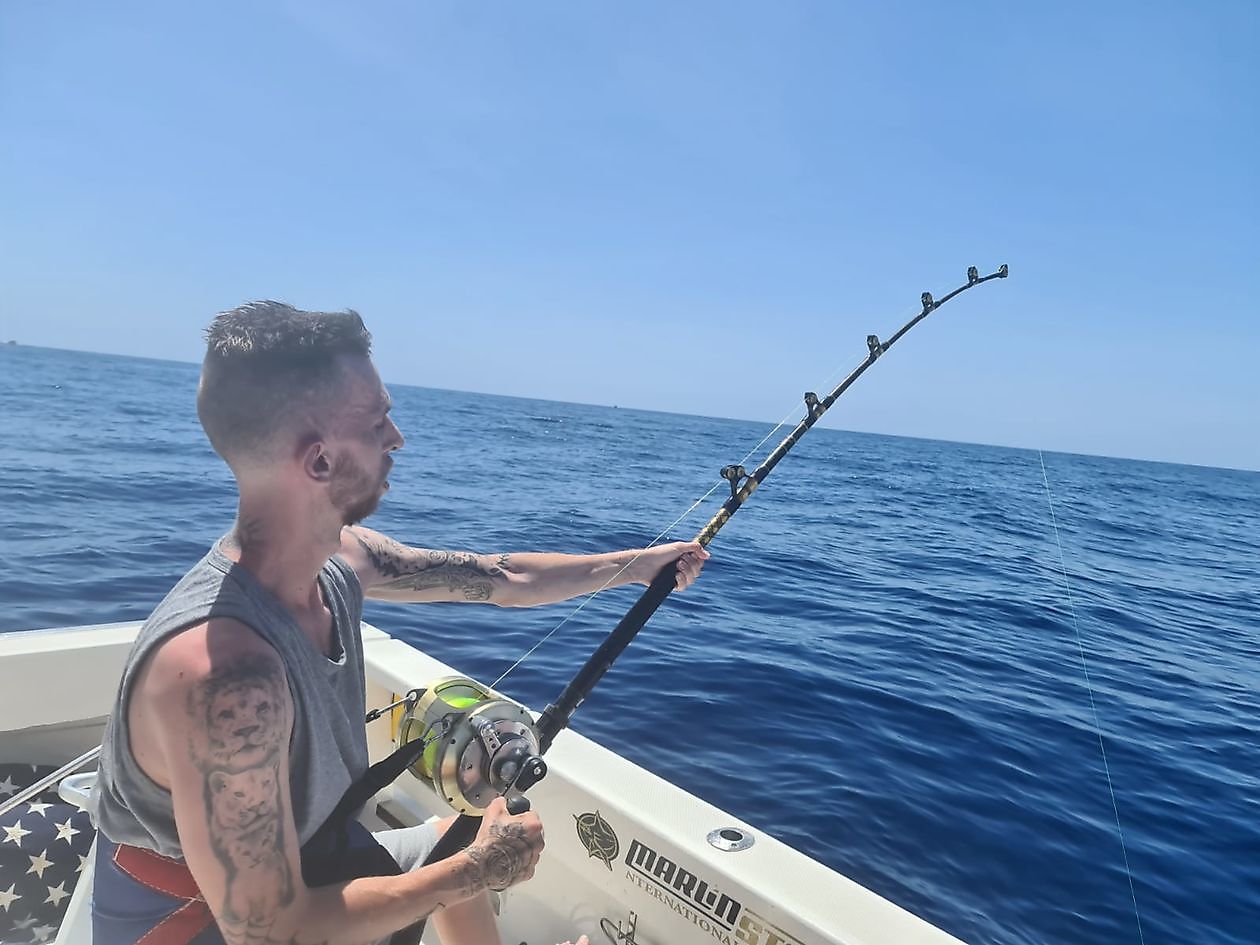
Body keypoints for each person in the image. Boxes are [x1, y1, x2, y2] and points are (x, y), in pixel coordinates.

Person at [90, 301, 708, 945]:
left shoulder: (344, 559)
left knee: (455, 840)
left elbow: (504, 578)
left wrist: (638, 566)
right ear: (319, 461)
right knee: (462, 859)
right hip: (202, 925)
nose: (397, 438)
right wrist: (480, 868)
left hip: (304, 866)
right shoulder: (225, 678)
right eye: (376, 420)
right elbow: (273, 932)